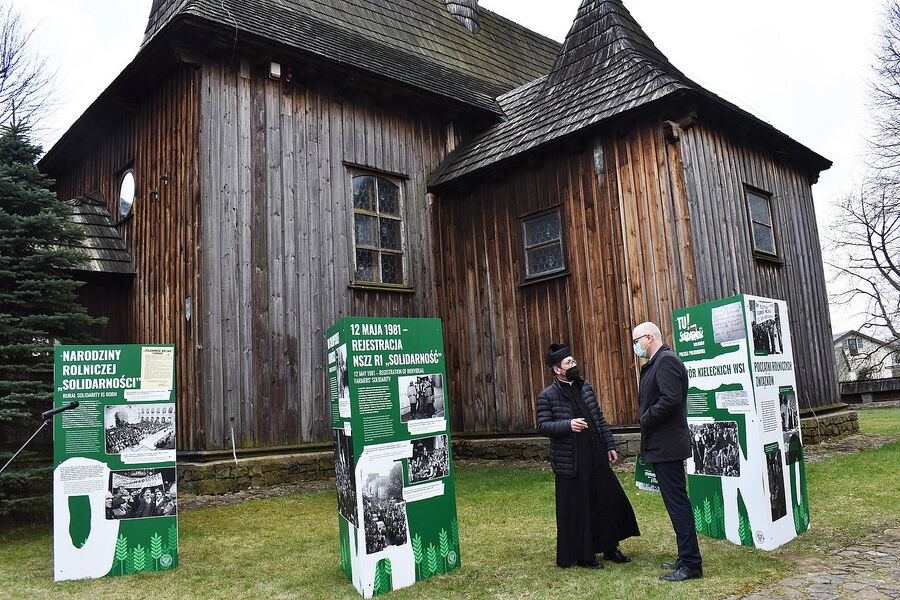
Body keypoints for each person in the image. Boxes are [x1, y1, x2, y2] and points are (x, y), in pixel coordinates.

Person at [536, 343, 639, 569]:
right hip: (572, 460)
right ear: (557, 370)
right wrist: (568, 424)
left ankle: (611, 547)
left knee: (607, 500)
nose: (573, 365)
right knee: (581, 507)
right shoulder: (548, 395)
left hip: (596, 454)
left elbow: (599, 419)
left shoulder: (585, 387)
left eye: (573, 361)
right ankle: (585, 555)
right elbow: (543, 426)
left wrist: (610, 445)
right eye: (568, 363)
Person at [633, 321, 703, 581]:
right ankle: (685, 557)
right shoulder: (655, 363)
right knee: (675, 504)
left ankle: (691, 564)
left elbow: (671, 400)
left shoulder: (666, 361)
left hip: (668, 446)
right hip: (661, 445)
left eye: (637, 340)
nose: (635, 346)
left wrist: (646, 418)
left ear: (649, 337)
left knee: (678, 505)